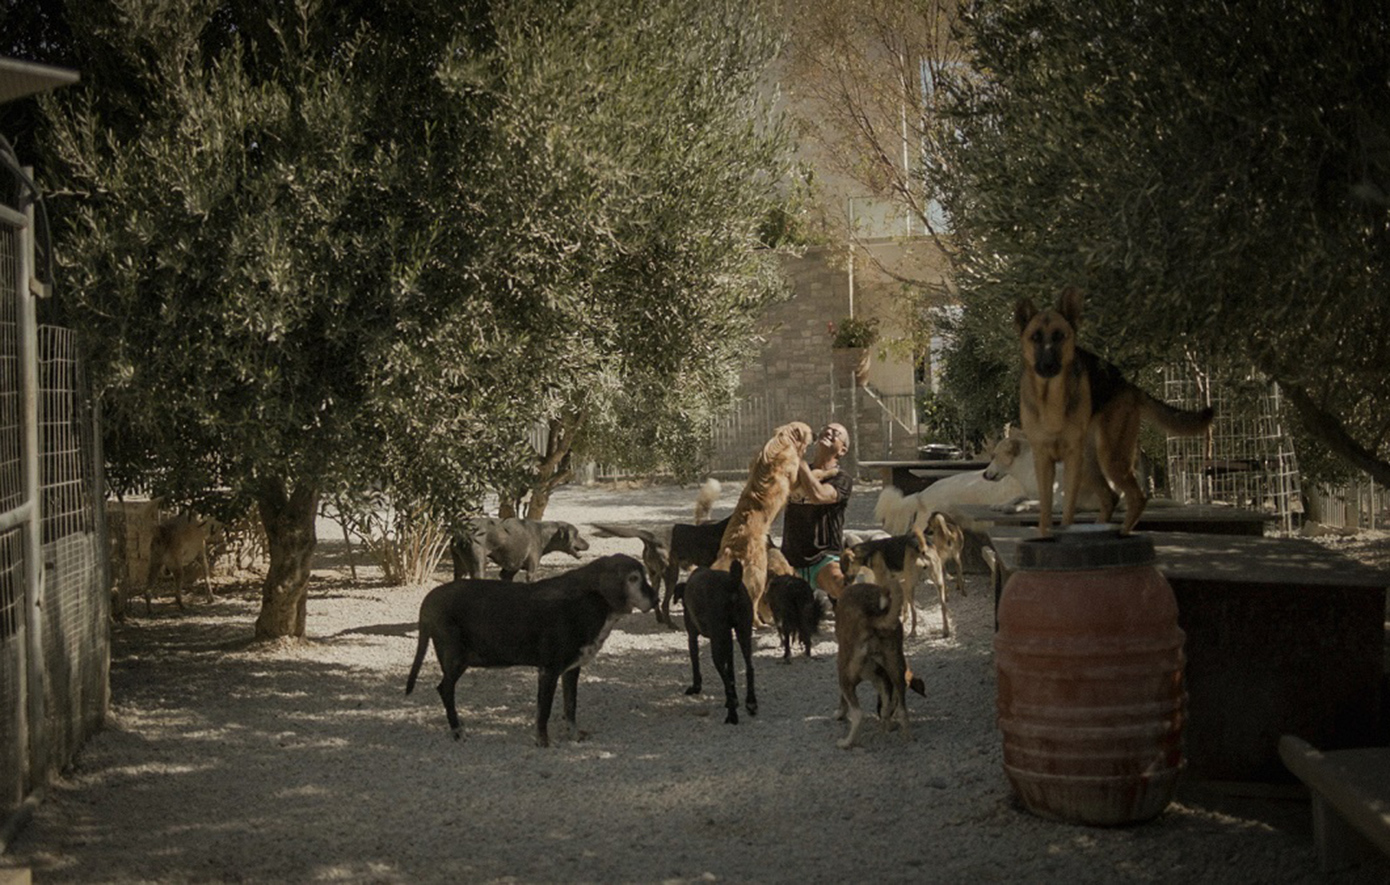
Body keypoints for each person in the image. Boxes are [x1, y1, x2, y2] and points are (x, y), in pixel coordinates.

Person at [782, 422, 853, 600]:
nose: (829, 432)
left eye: (836, 433)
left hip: (823, 558)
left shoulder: (841, 478)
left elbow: (819, 496)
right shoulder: (793, 472)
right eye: (825, 429)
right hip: (790, 559)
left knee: (844, 591)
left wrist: (798, 460)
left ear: (842, 450)